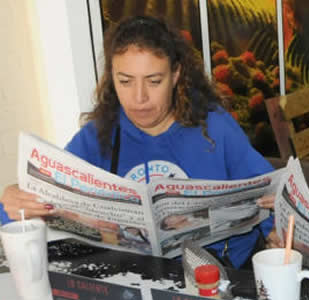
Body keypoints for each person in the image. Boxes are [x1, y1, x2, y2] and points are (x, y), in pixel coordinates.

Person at [0, 15, 273, 269]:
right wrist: (16, 199)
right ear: (111, 78)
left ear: (176, 75)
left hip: (217, 277)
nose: (139, 97)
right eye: (125, 81)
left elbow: (269, 196)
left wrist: (279, 235)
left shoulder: (213, 126)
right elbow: (33, 204)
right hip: (131, 276)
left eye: (154, 81)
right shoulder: (101, 133)